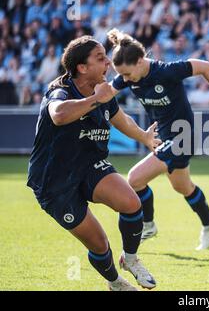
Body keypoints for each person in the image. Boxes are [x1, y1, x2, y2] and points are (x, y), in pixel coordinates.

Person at [27, 36, 161, 291]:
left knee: (132, 203)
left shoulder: (103, 91)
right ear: (82, 67)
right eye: (100, 58)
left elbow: (122, 120)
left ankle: (131, 260)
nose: (108, 62)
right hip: (53, 182)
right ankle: (114, 282)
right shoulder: (61, 91)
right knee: (99, 244)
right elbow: (59, 115)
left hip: (90, 166)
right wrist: (95, 100)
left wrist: (144, 136)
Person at [107, 29, 209, 250]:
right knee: (182, 186)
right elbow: (105, 95)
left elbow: (204, 66)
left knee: (135, 179)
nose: (124, 80)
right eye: (122, 76)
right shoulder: (128, 77)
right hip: (166, 138)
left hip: (184, 136)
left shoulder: (166, 71)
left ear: (140, 61)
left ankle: (148, 225)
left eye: (127, 74)